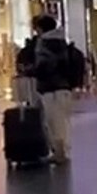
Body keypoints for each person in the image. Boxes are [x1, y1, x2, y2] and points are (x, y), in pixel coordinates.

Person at [31, 16, 74, 163]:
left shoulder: (44, 43)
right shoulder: (61, 42)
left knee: (53, 121)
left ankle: (59, 153)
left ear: (40, 28)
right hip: (64, 86)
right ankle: (62, 152)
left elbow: (44, 65)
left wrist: (31, 70)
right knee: (61, 120)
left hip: (50, 87)